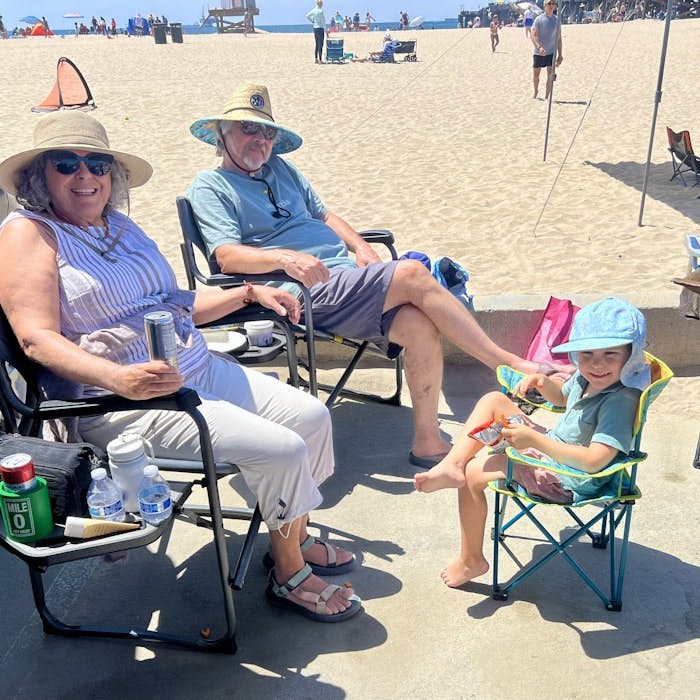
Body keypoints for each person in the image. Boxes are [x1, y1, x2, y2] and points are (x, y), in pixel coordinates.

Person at [0, 111, 362, 623]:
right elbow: (36, 339)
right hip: (123, 400)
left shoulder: (120, 225)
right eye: (67, 164)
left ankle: (294, 536)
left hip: (194, 365)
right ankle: (289, 574)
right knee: (282, 448)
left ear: (112, 174)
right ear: (42, 176)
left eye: (97, 164)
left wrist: (249, 291)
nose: (86, 176)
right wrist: (119, 378)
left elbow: (174, 300)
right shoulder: (29, 233)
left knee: (311, 417)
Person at [187, 82, 568, 469]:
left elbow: (324, 216)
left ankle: (427, 442)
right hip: (302, 292)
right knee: (413, 273)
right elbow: (226, 256)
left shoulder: (280, 169)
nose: (260, 140)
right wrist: (286, 258)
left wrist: (360, 247)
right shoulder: (210, 186)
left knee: (418, 323)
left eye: (267, 132)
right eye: (248, 129)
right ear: (221, 134)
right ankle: (509, 363)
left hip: (343, 280)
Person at [414, 297, 649, 588]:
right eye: (586, 353)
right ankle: (452, 464)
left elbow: (594, 461)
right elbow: (564, 399)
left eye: (610, 354)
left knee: (476, 473)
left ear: (631, 356)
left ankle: (471, 559)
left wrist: (534, 440)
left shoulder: (619, 401)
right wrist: (541, 382)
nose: (597, 363)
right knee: (494, 400)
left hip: (570, 478)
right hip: (553, 451)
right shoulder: (587, 378)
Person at [531, 0, 563, 100]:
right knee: (536, 75)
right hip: (539, 52)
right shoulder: (539, 20)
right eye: (549, 4)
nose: (551, 6)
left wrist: (560, 54)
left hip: (551, 52)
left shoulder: (557, 20)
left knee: (550, 75)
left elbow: (559, 38)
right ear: (544, 6)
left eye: (553, 4)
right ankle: (536, 91)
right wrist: (538, 47)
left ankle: (546, 96)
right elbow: (533, 35)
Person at [306, 0, 326, 64]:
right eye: (322, 3)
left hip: (315, 28)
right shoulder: (320, 11)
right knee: (321, 44)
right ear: (320, 4)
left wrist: (312, 21)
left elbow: (307, 16)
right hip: (320, 28)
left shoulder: (314, 10)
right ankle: (320, 60)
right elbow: (323, 22)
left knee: (317, 44)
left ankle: (316, 59)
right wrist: (325, 30)